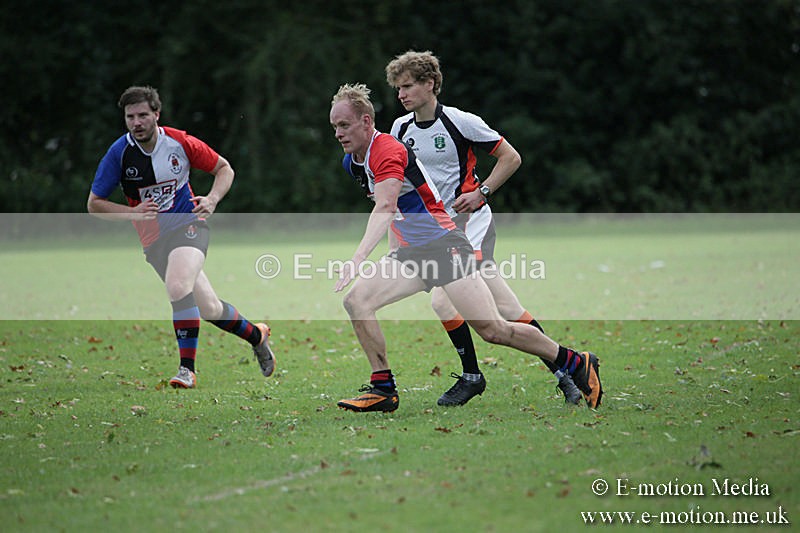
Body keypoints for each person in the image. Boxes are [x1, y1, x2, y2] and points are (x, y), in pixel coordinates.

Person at [329, 82, 602, 413]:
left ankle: (574, 361)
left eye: (344, 125)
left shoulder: (386, 150)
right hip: (412, 253)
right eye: (334, 127)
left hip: (445, 247)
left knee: (493, 330)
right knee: (357, 301)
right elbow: (398, 211)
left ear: (366, 122)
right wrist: (393, 254)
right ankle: (383, 389)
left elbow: (385, 207)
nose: (338, 133)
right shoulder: (353, 162)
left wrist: (358, 259)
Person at [384, 50, 581, 406]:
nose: (401, 94)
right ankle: (567, 371)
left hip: (468, 225)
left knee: (443, 301)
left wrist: (482, 192)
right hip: (434, 232)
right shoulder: (399, 129)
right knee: (506, 306)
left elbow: (511, 157)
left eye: (408, 86)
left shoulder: (460, 121)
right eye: (398, 88)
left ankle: (476, 377)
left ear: (430, 84)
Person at [87, 85, 275, 389]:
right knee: (209, 308)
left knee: (177, 286)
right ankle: (256, 335)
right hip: (153, 241)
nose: (137, 122)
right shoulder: (119, 154)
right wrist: (132, 213)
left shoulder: (178, 142)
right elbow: (94, 204)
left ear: (156, 115)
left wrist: (212, 199)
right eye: (130, 116)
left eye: (143, 115)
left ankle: (186, 370)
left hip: (189, 225)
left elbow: (224, 169)